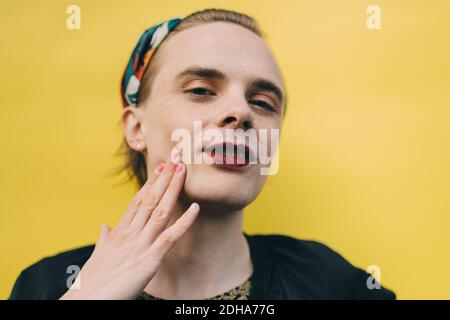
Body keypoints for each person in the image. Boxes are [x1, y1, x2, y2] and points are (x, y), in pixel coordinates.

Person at [9, 8, 395, 300]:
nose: (241, 113)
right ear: (136, 127)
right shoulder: (47, 285)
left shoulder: (334, 284)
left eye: (262, 102)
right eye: (200, 90)